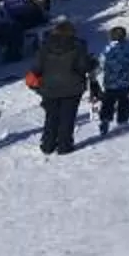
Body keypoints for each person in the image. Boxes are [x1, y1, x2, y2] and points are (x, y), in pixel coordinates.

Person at [32, 19, 93, 156]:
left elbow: (36, 68)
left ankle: (48, 144)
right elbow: (83, 67)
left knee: (51, 116)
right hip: (73, 87)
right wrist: (91, 62)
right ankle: (65, 145)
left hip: (49, 87)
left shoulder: (44, 46)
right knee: (68, 117)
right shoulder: (79, 46)